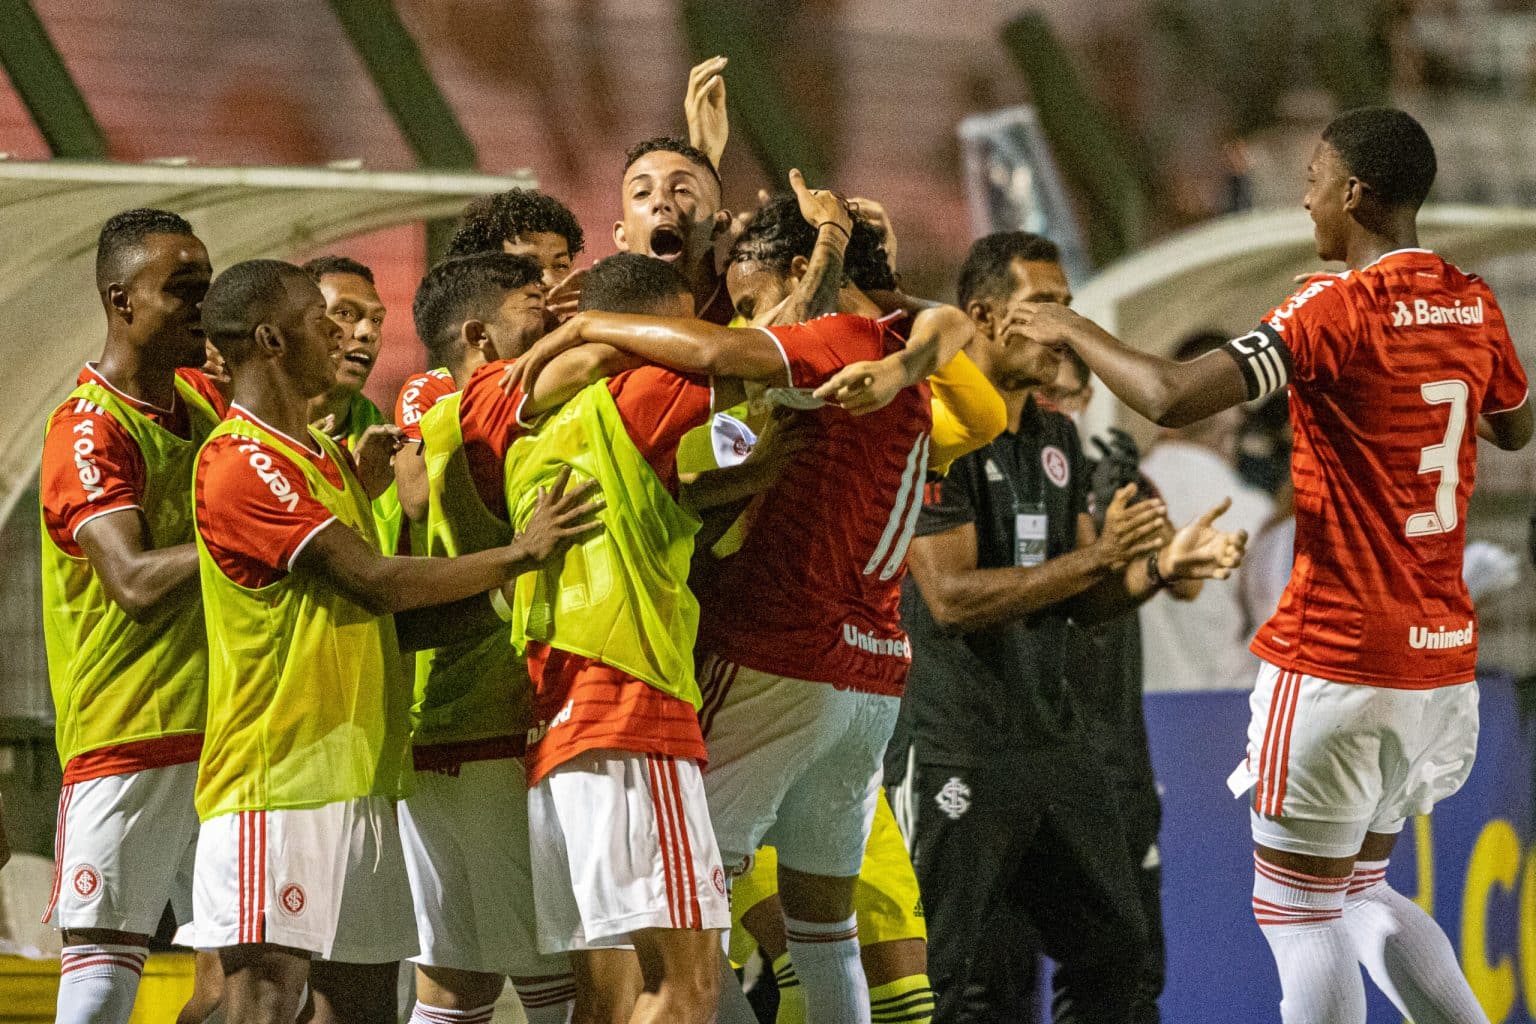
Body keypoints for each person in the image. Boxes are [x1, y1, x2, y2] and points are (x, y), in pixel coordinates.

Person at [1008, 106, 1533, 1024]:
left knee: (1297, 909)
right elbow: (1514, 427)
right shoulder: (1470, 300)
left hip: (1337, 649)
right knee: (1364, 886)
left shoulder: (1333, 309)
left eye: (1316, 181)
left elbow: (1171, 397)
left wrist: (1072, 325)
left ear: (1357, 194)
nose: (1305, 198)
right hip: (1438, 655)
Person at [510, 195, 950, 1024]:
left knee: (680, 931)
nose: (755, 329)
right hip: (873, 672)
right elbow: (955, 338)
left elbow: (716, 359)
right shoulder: (905, 366)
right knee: (824, 930)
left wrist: (580, 327)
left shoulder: (829, 345)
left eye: (751, 303)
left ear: (799, 279)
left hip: (769, 654)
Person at [188, 257, 597, 1024]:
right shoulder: (242, 458)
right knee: (259, 1001)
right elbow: (376, 579)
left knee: (366, 1004)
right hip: (277, 781)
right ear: (273, 339)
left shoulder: (327, 463)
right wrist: (517, 553)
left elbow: (394, 625)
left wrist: (521, 597)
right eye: (325, 318)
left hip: (365, 777)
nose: (346, 332)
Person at [898, 231, 1246, 1024]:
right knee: (951, 982)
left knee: (1121, 960)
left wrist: (1152, 569)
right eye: (1043, 306)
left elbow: (1086, 602)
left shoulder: (1056, 439)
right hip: (957, 744)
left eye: (1066, 305)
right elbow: (950, 598)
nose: (1063, 324)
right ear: (983, 316)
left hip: (1055, 744)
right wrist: (1101, 562)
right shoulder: (934, 431)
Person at [398, 251, 612, 1024]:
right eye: (536, 297)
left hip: (435, 736)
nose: (555, 308)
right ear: (479, 335)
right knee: (562, 978)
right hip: (495, 729)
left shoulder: (423, 426)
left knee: (456, 981)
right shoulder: (483, 415)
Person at [39, 207, 222, 1024]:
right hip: (129, 735)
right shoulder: (88, 428)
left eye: (208, 288)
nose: (202, 307)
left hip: (228, 735)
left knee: (248, 977)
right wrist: (258, 541)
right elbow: (134, 581)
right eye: (182, 290)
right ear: (122, 300)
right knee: (105, 972)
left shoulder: (207, 404)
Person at [1136, 331, 1275, 691]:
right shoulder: (1256, 516)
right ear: (1237, 413)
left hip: (1137, 717)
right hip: (1226, 715)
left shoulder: (1113, 501)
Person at [302, 255, 404, 553]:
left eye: (376, 320)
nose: (367, 332)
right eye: (345, 313)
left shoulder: (392, 446)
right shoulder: (240, 432)